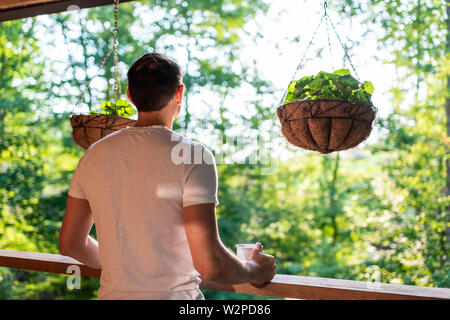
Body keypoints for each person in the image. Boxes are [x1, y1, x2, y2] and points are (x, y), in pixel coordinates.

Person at [59, 53, 276, 300]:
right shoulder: (193, 156)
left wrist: (126, 268)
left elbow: (71, 244)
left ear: (130, 97)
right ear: (179, 93)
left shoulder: (93, 155)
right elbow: (209, 266)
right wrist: (255, 269)